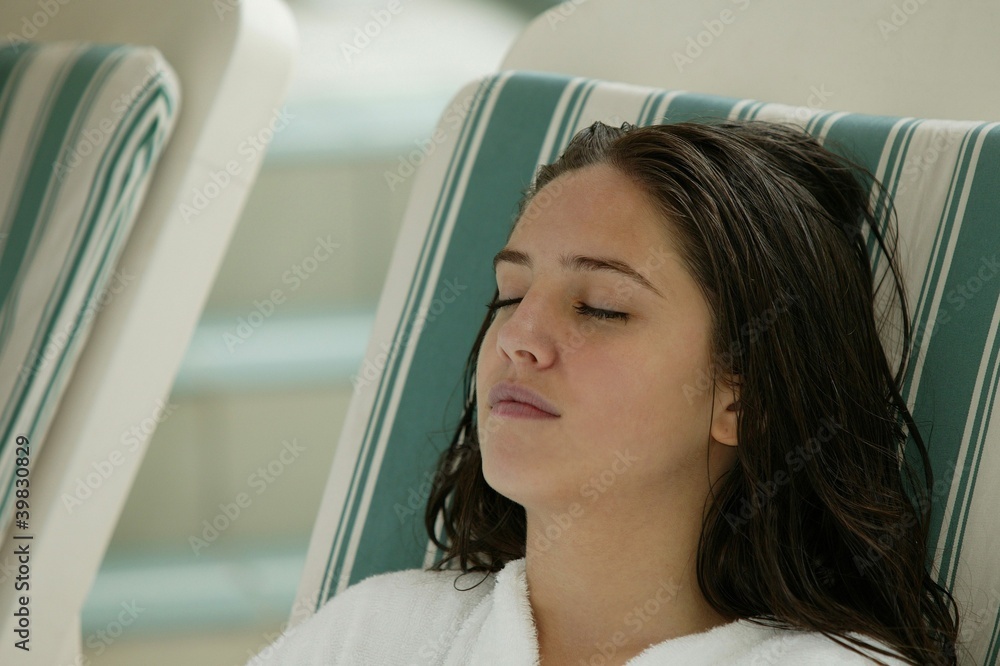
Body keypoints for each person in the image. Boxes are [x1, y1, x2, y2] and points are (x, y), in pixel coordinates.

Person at [248, 119, 961, 665]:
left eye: (601, 307)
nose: (517, 336)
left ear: (745, 400)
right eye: (511, 294)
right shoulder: (380, 633)